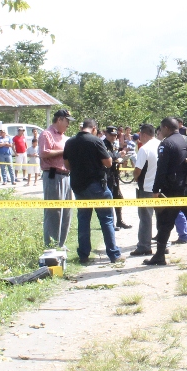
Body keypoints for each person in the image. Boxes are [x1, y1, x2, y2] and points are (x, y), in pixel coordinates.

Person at [146, 117, 187, 266]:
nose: (160, 132)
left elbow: (161, 170)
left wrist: (155, 190)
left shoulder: (166, 144)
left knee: (164, 222)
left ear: (167, 128)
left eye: (161, 129)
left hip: (173, 189)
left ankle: (159, 256)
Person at [63, 118, 123, 264]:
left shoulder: (70, 142)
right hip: (96, 186)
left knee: (83, 220)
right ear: (94, 129)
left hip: (79, 186)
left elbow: (66, 164)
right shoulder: (96, 141)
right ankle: (114, 254)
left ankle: (83, 255)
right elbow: (108, 163)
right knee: (107, 219)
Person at [40, 109, 73, 250]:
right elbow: (44, 153)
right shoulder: (46, 134)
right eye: (67, 121)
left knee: (66, 211)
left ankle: (61, 243)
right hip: (53, 175)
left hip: (66, 176)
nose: (68, 124)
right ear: (59, 119)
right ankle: (51, 245)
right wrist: (65, 152)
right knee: (54, 211)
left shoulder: (65, 138)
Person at [130, 124, 160, 257]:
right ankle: (163, 245)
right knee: (162, 218)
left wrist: (134, 176)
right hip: (161, 187)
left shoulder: (144, 149)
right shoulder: (162, 145)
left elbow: (138, 170)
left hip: (147, 187)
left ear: (144, 134)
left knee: (145, 218)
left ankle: (144, 246)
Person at [102, 126, 132, 229]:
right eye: (111, 135)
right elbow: (109, 156)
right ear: (106, 134)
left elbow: (114, 155)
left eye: (115, 135)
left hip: (114, 175)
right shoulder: (103, 144)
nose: (113, 137)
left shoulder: (113, 144)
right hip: (107, 175)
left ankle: (120, 221)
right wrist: (119, 155)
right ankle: (111, 223)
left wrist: (121, 156)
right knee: (109, 198)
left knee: (118, 197)